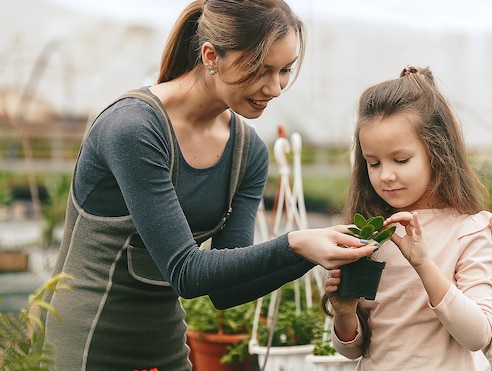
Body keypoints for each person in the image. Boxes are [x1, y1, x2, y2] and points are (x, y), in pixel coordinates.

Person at [42, 1, 376, 369]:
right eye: (261, 70)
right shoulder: (134, 129)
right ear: (211, 56)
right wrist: (297, 244)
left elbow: (224, 290)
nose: (276, 87)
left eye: (284, 70)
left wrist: (311, 254)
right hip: (87, 344)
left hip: (165, 345)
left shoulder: (246, 153)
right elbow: (186, 272)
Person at [323, 65, 492, 370]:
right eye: (373, 163)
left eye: (401, 160)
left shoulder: (468, 230)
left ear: (437, 151)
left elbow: (478, 335)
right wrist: (344, 312)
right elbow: (353, 351)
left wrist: (423, 264)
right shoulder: (368, 232)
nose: (386, 176)